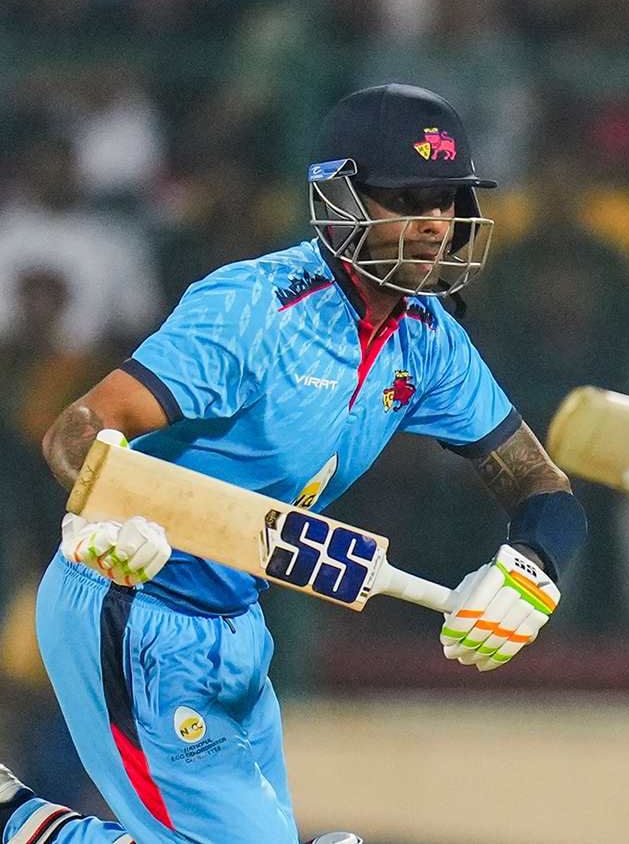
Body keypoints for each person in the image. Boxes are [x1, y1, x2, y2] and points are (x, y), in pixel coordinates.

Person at [0, 83, 586, 844]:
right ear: (338, 197)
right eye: (407, 197)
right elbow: (78, 430)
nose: (436, 224)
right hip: (130, 598)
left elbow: (541, 485)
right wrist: (118, 506)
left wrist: (532, 569)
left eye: (447, 199)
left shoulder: (429, 338)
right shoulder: (252, 310)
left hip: (237, 623)